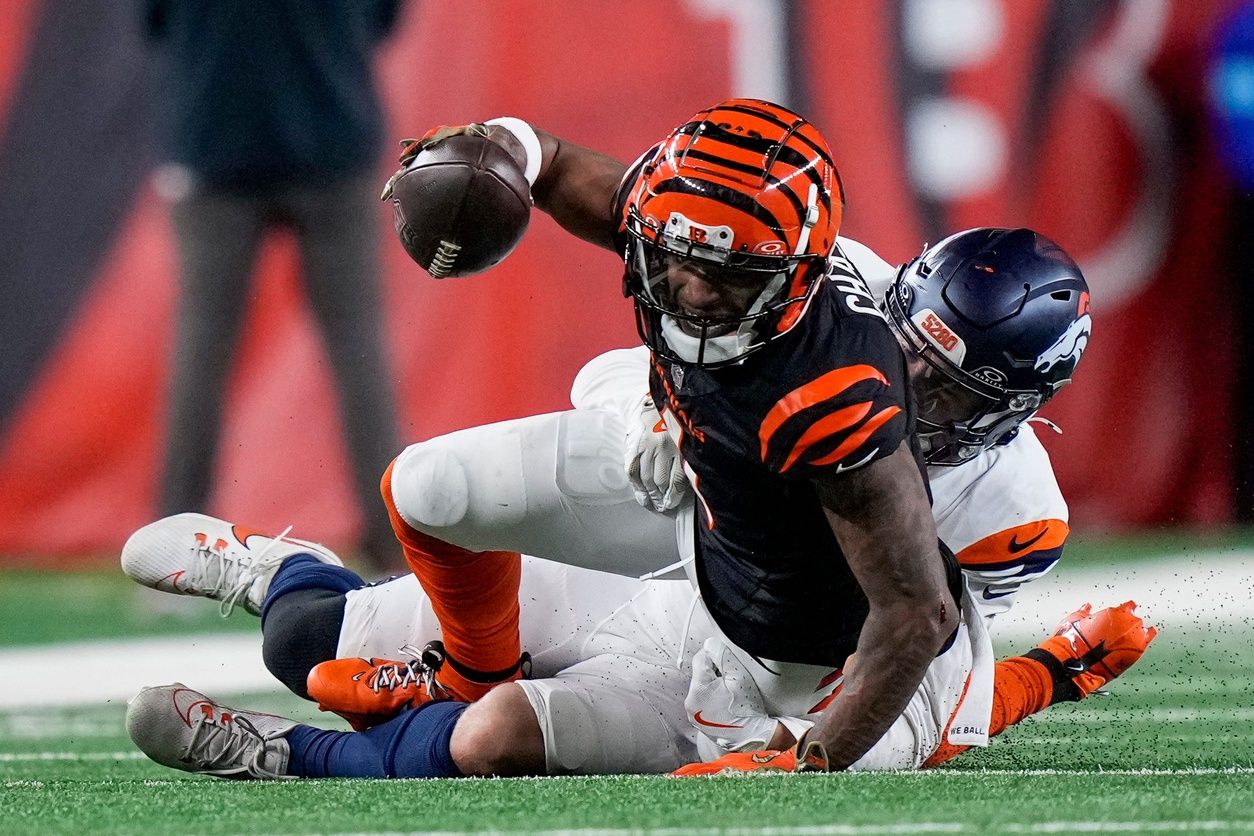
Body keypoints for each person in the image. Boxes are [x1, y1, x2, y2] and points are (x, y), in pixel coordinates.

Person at [122, 216, 1154, 777]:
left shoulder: (1012, 511)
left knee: (490, 738)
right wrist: (655, 407)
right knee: (305, 637)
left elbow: (934, 688)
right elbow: (607, 372)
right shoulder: (822, 287)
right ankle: (284, 575)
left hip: (751, 676)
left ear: (1015, 409)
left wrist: (1042, 679)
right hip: (665, 552)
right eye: (908, 351)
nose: (910, 388)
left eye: (951, 387)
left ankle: (283, 755)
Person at [141, 0, 404, 571]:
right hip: (332, 137)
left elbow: (156, 22)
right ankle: (396, 547)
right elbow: (382, 19)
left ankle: (172, 553)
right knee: (360, 353)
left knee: (201, 353)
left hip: (214, 140)